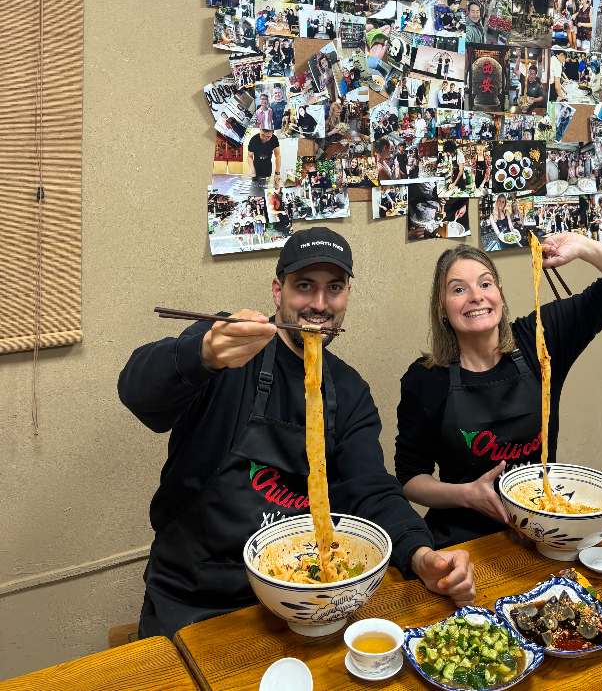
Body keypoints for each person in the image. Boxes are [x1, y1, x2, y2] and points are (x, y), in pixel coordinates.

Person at [119, 230, 475, 639]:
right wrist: (201, 355)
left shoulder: (349, 390)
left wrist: (419, 553)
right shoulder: (231, 352)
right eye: (304, 286)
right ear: (278, 290)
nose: (320, 304)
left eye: (334, 289)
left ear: (346, 296)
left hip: (303, 596)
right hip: (196, 596)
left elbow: (370, 487)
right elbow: (136, 390)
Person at [395, 241, 602, 548]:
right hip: (462, 541)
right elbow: (410, 479)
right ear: (442, 308)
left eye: (485, 284)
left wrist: (581, 246)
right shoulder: (425, 379)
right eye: (458, 289)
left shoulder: (539, 339)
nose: (476, 296)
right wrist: (467, 495)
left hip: (543, 531)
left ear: (499, 293)